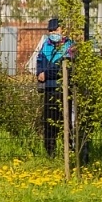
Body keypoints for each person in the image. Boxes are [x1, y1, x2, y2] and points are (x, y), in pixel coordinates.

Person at [34, 17, 74, 157]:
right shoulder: (45, 45)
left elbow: (65, 69)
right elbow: (39, 62)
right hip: (49, 89)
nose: (53, 32)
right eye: (51, 30)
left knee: (67, 122)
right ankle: (50, 153)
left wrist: (46, 73)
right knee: (49, 123)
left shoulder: (69, 47)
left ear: (62, 30)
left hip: (64, 89)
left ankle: (70, 151)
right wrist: (39, 72)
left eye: (56, 29)